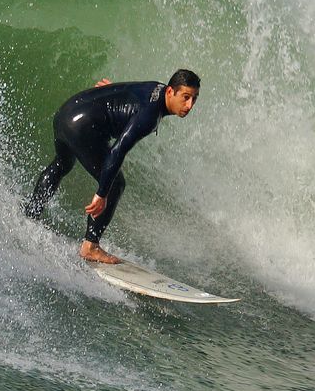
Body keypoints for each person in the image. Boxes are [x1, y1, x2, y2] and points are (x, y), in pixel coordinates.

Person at [23, 69, 200, 264]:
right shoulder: (149, 116)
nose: (189, 105)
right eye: (185, 97)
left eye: (194, 99)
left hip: (66, 114)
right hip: (82, 127)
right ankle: (90, 246)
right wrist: (102, 193)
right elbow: (118, 151)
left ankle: (30, 214)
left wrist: (110, 91)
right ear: (170, 92)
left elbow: (129, 90)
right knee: (116, 183)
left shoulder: (155, 87)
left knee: (62, 163)